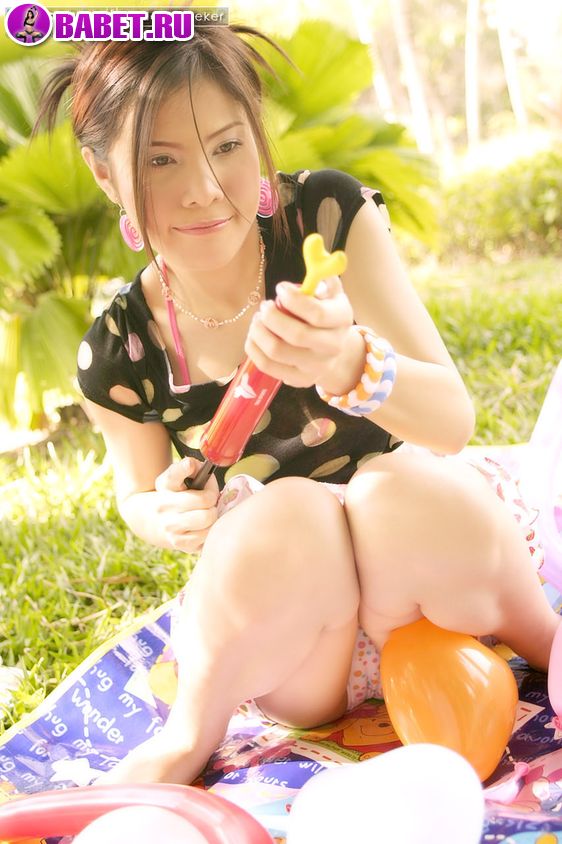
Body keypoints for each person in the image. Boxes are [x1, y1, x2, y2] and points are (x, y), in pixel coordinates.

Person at [34, 23, 559, 786]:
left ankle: (546, 638)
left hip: (434, 578)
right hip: (304, 636)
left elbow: (452, 424)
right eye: (159, 159)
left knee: (392, 488)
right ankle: (189, 737)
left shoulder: (325, 219)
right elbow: (137, 495)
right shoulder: (120, 350)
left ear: (257, 134)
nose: (203, 188)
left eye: (227, 145)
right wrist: (163, 513)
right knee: (287, 513)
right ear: (103, 173)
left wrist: (352, 363)